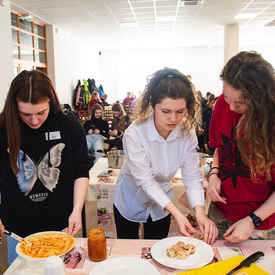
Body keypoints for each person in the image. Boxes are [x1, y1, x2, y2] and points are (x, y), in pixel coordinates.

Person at [113, 68, 218, 244]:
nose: (173, 119)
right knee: (128, 250)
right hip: (131, 197)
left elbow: (192, 176)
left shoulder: (187, 132)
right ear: (153, 105)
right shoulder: (135, 133)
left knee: (158, 250)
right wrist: (176, 213)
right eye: (166, 111)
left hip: (162, 203)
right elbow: (145, 180)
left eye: (180, 111)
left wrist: (200, 213)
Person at [0, 70, 90, 265]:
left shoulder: (68, 123)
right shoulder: (3, 128)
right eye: (25, 114)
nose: (34, 121)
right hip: (18, 231)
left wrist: (77, 210)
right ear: (13, 106)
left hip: (62, 226)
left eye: (41, 112)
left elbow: (81, 171)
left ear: (51, 101)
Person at [207, 51, 275, 243]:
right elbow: (220, 146)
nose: (231, 108)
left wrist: (253, 220)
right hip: (219, 209)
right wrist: (213, 173)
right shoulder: (222, 103)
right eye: (227, 97)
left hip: (258, 220)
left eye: (240, 103)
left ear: (260, 100)